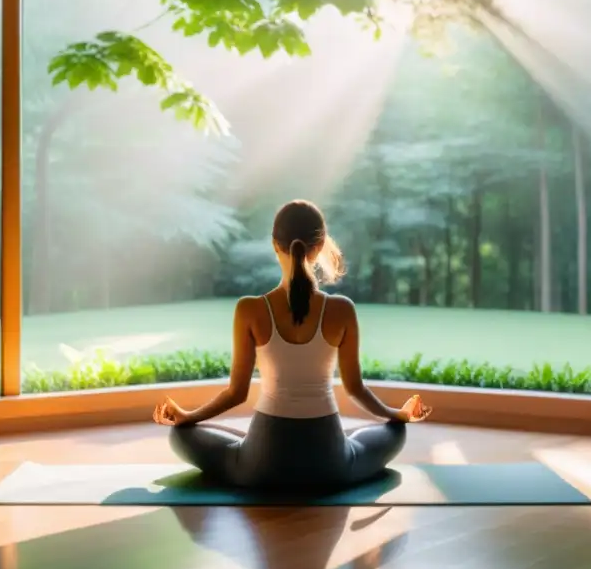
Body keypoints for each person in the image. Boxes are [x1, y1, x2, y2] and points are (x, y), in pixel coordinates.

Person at [153, 199, 432, 492]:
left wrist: (188, 417)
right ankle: (358, 437)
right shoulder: (342, 310)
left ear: (275, 245)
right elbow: (355, 389)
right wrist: (397, 414)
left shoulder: (249, 309)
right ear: (320, 245)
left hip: (261, 465)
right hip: (330, 464)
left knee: (180, 435)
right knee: (395, 432)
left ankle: (245, 445)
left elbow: (236, 393)